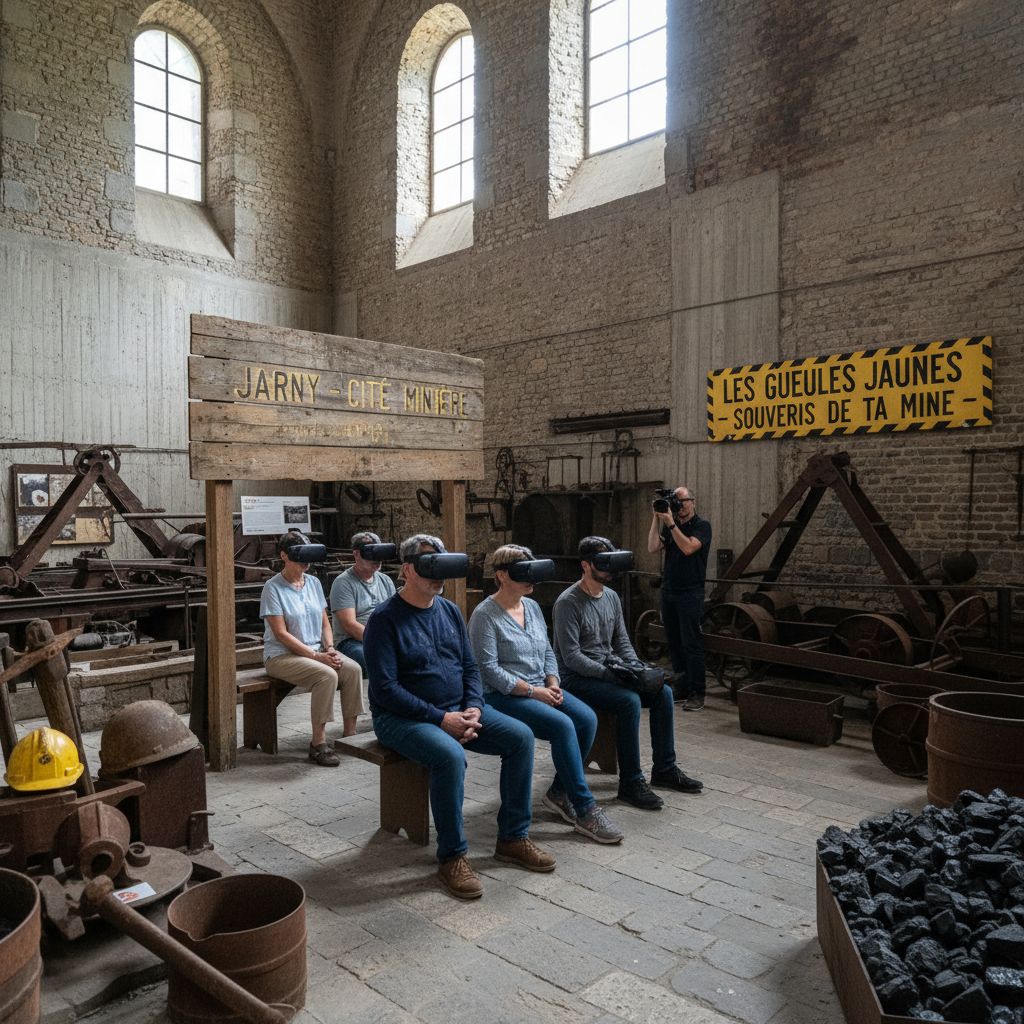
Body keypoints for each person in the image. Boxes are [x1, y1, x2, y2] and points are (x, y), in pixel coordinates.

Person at [364, 533, 555, 900]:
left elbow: (470, 667)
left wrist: (474, 706)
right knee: (450, 757)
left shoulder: (450, 610)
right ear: (406, 569)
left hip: (458, 710)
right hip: (400, 718)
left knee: (520, 738)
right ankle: (452, 857)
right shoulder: (384, 620)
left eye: (443, 567)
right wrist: (441, 719)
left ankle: (513, 838)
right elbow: (385, 689)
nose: (439, 577)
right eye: (428, 568)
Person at [468, 545, 623, 844]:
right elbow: (488, 671)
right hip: (502, 696)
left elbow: (548, 651)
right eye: (523, 573)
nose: (532, 579)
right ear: (501, 575)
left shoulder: (533, 607)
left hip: (540, 686)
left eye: (533, 570)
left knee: (586, 719)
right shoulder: (484, 615)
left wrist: (552, 681)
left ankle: (558, 792)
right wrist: (532, 691)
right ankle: (585, 808)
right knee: (562, 725)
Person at [552, 536, 703, 810]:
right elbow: (572, 657)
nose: (610, 568)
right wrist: (611, 677)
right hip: (576, 678)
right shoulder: (568, 602)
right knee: (628, 701)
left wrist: (638, 671)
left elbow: (621, 642)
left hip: (609, 668)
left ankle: (664, 769)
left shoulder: (610, 597)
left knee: (663, 693)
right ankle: (631, 783)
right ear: (586, 565)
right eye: (603, 562)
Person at [260, 532, 365, 766]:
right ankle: (318, 743)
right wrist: (317, 657)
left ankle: (350, 735)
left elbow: (324, 622)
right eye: (299, 554)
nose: (306, 560)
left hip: (316, 651)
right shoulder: (272, 587)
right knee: (326, 675)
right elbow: (281, 634)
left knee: (353, 669)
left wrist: (329, 648)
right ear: (284, 556)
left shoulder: (314, 583)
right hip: (281, 656)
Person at [647, 486, 712, 711]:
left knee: (691, 644)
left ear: (694, 502)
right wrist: (657, 518)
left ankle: (697, 692)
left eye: (684, 501)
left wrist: (671, 523)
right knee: (674, 644)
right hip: (669, 592)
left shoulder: (702, 526)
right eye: (677, 502)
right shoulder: (671, 527)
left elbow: (688, 547)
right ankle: (682, 688)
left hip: (690, 593)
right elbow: (652, 546)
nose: (681, 506)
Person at [329, 531, 396, 673]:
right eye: (369, 554)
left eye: (378, 553)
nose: (376, 559)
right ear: (356, 554)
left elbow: (395, 615)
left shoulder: (386, 580)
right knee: (372, 658)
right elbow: (349, 624)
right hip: (351, 641)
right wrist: (379, 641)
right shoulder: (343, 582)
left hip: (383, 639)